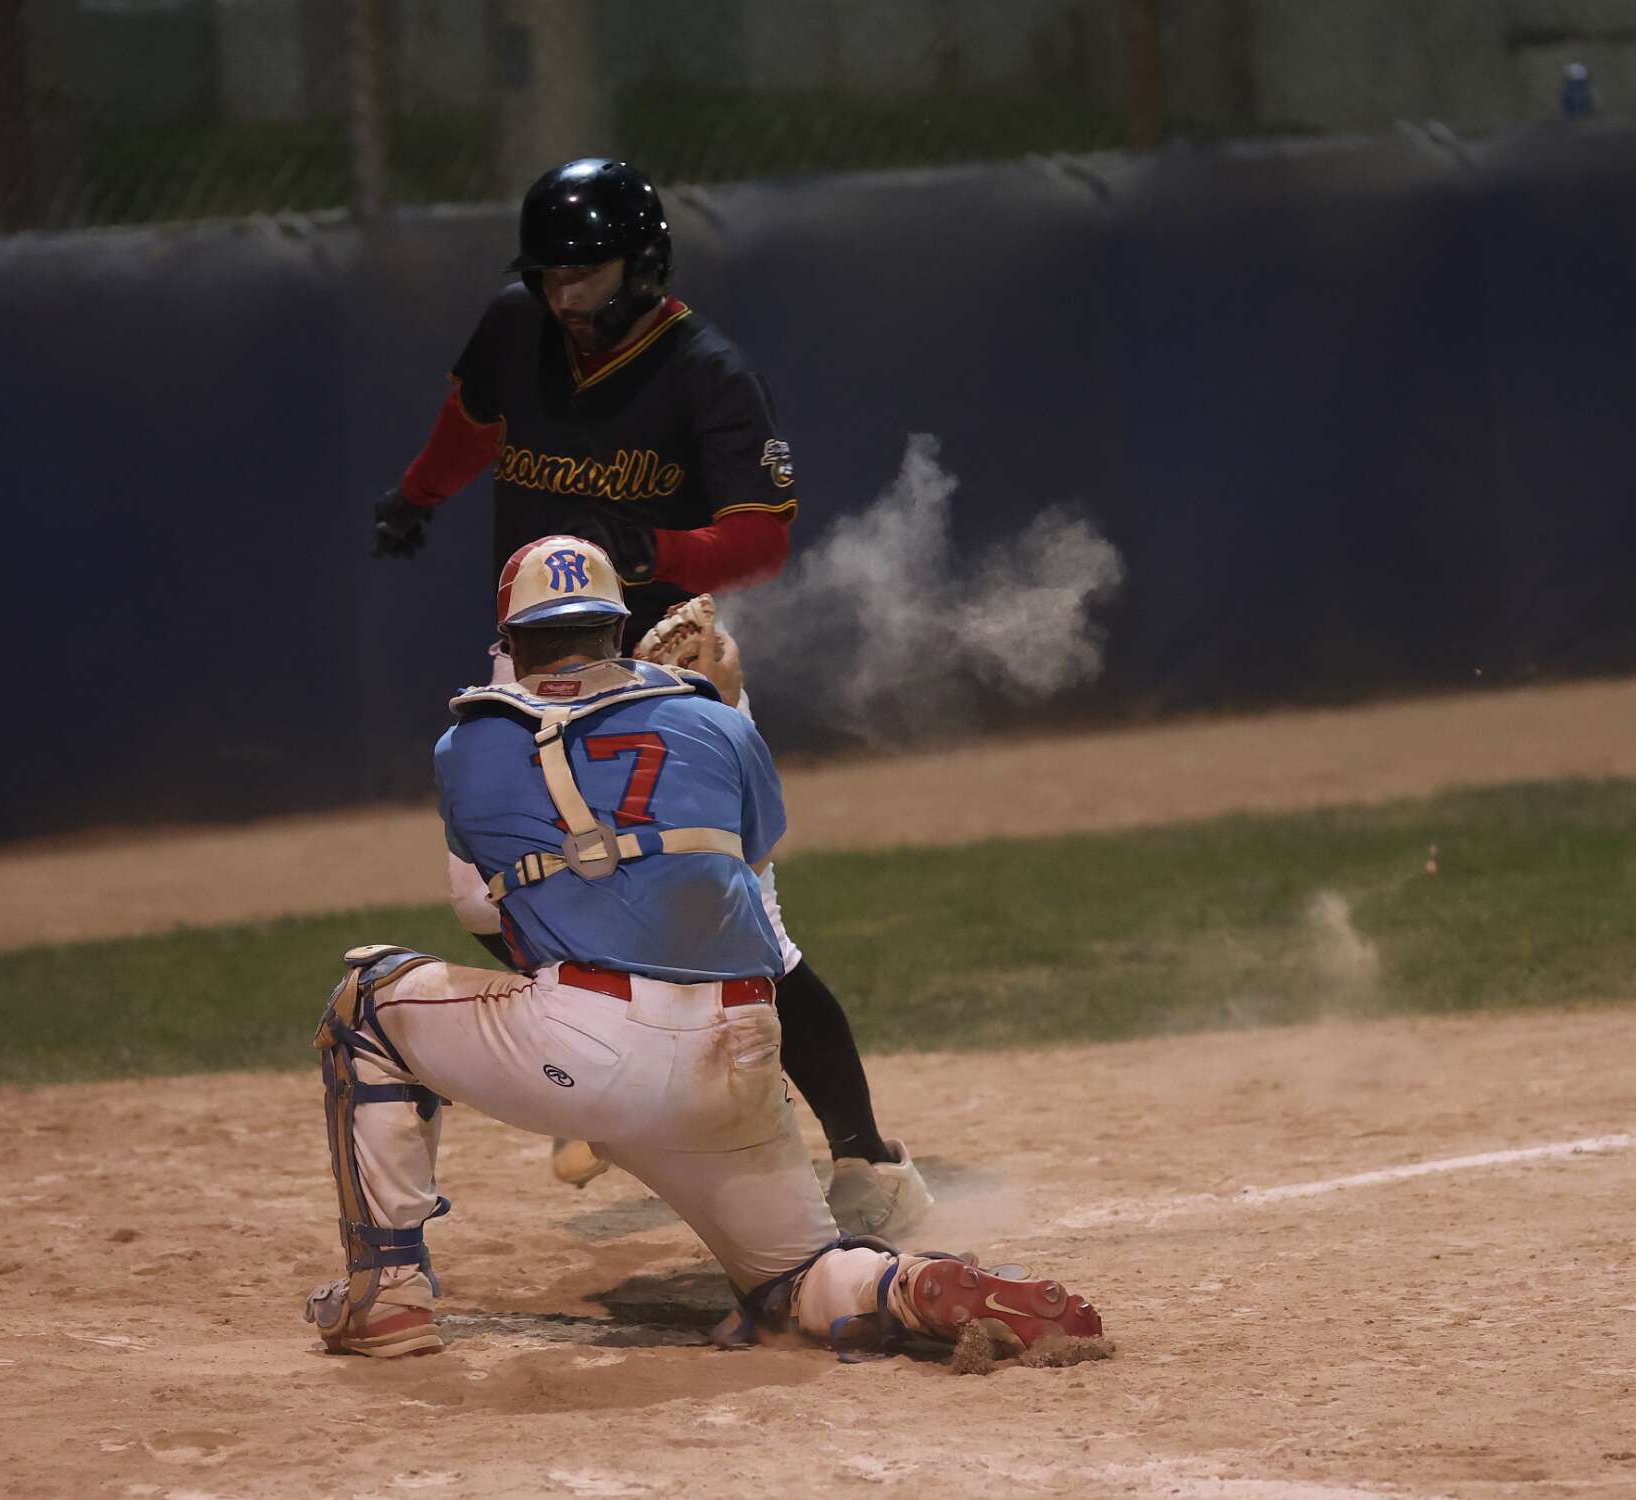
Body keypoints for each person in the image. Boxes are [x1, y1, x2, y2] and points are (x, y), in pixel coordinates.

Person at [304, 535, 1102, 1360]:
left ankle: (385, 1298)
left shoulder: (467, 746)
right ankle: (906, 1286)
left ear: (511, 643)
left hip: (585, 1043)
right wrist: (717, 699)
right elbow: (748, 860)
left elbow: (486, 898)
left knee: (366, 1003)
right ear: (617, 628)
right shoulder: (713, 719)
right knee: (795, 1281)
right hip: (740, 1051)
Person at [367, 156, 928, 1237]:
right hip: (532, 666)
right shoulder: (515, 325)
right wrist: (420, 493)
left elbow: (760, 540)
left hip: (662, 667)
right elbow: (474, 422)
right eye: (548, 275)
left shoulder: (705, 372)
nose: (561, 295)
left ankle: (865, 1158)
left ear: (642, 265)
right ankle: (605, 1053)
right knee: (484, 894)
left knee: (744, 927)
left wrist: (656, 550)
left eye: (584, 273)